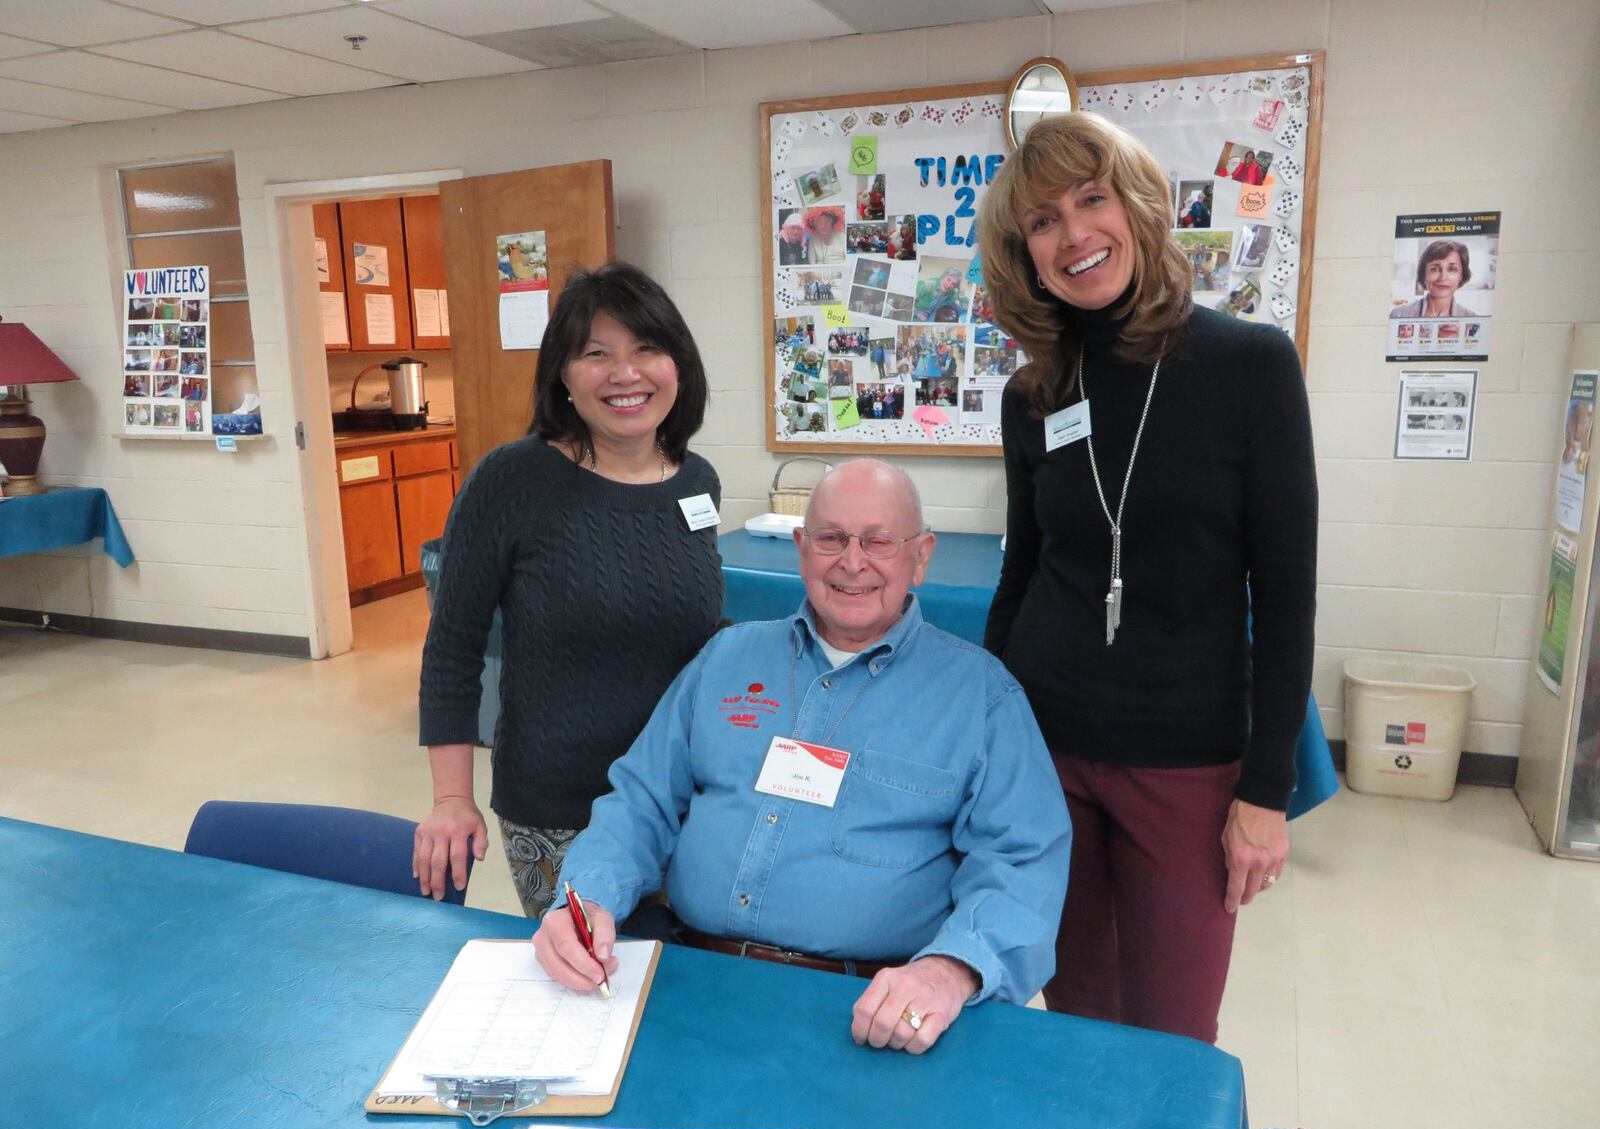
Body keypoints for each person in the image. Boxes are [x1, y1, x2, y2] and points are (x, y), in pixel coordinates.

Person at [533, 460, 1071, 1054]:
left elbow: (1023, 861)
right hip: (688, 983)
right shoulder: (726, 658)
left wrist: (949, 970)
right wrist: (587, 901)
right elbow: (640, 801)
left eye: (880, 541)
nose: (852, 561)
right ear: (801, 547)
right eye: (831, 538)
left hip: (865, 1014)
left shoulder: (982, 697)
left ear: (922, 556)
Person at [975, 112, 1317, 1044]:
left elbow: (1288, 595)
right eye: (1043, 221)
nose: (1074, 234)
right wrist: (985, 739)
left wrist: (1267, 793)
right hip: (1046, 750)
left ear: (1138, 206)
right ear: (1025, 254)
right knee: (1076, 1008)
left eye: (1092, 199)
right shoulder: (1033, 391)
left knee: (1172, 1032)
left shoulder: (1249, 365)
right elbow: (1024, 572)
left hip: (1189, 760)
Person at [415, 262, 725, 917]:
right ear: (563, 372)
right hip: (560, 810)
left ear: (679, 365)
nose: (626, 373)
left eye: (647, 348)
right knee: (588, 990)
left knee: (687, 988)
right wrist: (451, 799)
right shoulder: (512, 480)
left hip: (686, 803)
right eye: (596, 353)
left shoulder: (698, 482)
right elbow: (452, 647)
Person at [1389, 239, 1478, 318]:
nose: (1443, 277)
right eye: (1434, 269)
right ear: (1424, 274)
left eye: (1452, 269)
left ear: (1461, 276)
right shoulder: (1399, 315)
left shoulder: (1472, 318)